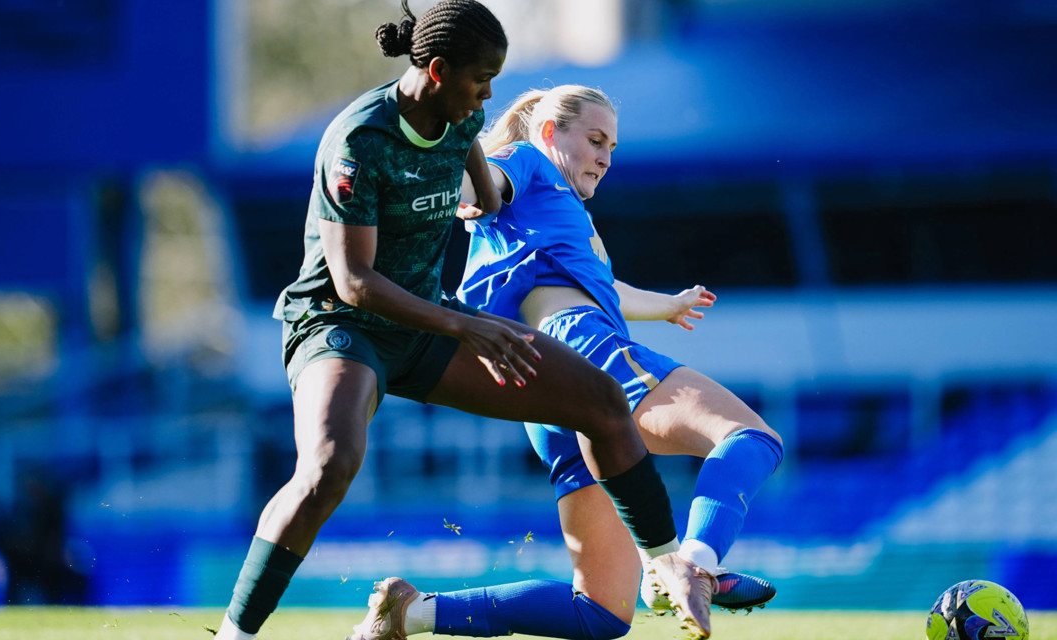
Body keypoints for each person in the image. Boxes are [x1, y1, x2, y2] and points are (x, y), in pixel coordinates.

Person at [217, 5, 716, 639]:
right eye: (481, 79)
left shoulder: (465, 117)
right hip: (341, 326)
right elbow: (356, 282)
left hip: (430, 322)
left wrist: (514, 201)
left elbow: (487, 195)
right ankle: (236, 633)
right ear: (436, 69)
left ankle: (665, 566)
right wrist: (468, 326)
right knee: (329, 466)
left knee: (601, 399)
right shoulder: (360, 141)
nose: (488, 94)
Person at [347, 85, 784, 640]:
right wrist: (434, 185)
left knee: (599, 616)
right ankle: (693, 563)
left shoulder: (559, 216)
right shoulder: (528, 162)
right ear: (551, 132)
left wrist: (668, 305)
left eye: (613, 147)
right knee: (751, 438)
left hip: (544, 390)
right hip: (587, 352)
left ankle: (409, 614)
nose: (605, 157)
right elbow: (484, 185)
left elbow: (600, 286)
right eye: (595, 140)